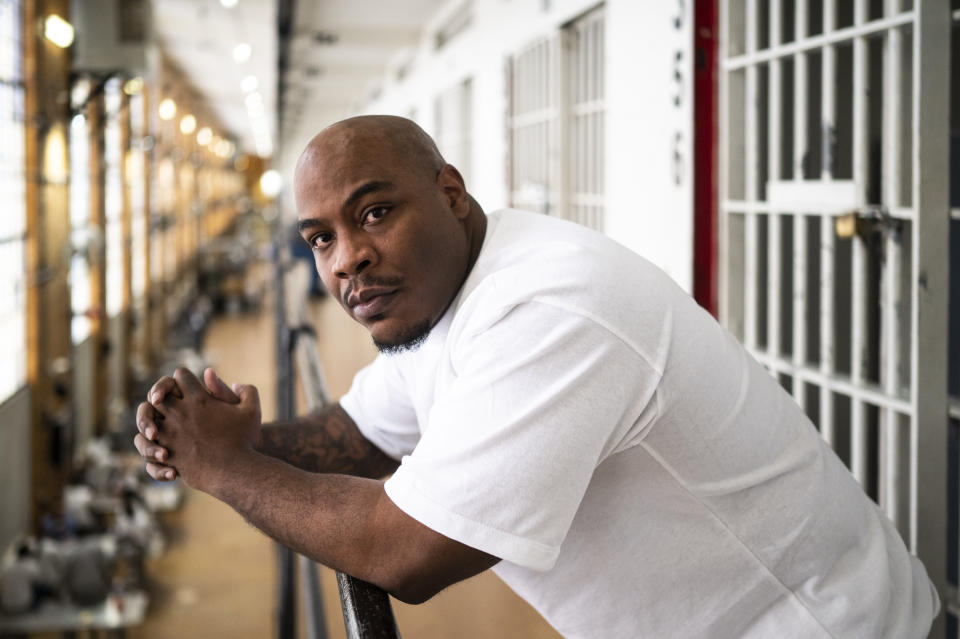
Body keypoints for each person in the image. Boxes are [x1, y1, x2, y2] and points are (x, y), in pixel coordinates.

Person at [134, 115, 939, 638]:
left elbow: (404, 553)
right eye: (320, 238)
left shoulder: (548, 305)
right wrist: (230, 439)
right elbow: (357, 436)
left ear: (450, 193)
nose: (347, 259)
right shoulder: (433, 301)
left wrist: (224, 467)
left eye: (374, 212)